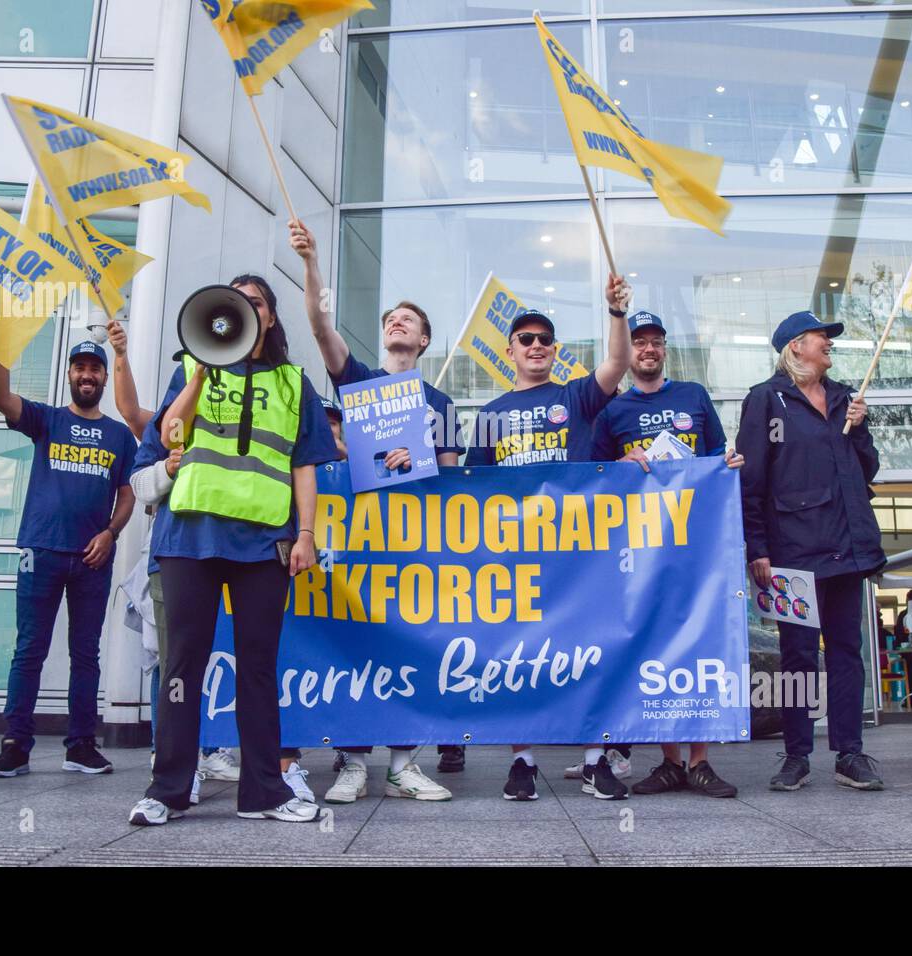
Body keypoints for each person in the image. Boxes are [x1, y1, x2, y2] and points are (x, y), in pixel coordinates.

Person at [128, 273, 337, 826]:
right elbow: (169, 435)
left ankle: (263, 792)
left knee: (258, 669)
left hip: (265, 541)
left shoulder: (294, 382)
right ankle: (167, 788)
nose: (247, 309)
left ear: (270, 317)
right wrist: (202, 368)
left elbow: (304, 465)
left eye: (257, 303)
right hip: (190, 538)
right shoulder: (191, 369)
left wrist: (307, 535)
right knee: (181, 666)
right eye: (236, 302)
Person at [290, 218, 462, 799]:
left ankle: (404, 763)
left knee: (409, 644)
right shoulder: (357, 380)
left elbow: (453, 471)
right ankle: (354, 763)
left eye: (408, 320)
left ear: (423, 341)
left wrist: (415, 463)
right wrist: (313, 262)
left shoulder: (440, 401)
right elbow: (318, 325)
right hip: (360, 540)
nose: (396, 321)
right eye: (392, 317)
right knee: (359, 641)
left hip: (414, 543)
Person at [466, 275, 632, 801]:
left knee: (588, 651)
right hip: (515, 558)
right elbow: (472, 489)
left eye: (544, 340)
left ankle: (592, 759)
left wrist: (615, 313)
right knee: (515, 655)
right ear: (510, 350)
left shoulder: (575, 395)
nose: (535, 345)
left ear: (554, 351)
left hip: (579, 553)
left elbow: (618, 364)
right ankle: (522, 762)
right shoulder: (490, 415)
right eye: (526, 339)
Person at [591, 310, 743, 799]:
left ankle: (700, 761)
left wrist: (730, 463)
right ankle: (668, 761)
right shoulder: (613, 410)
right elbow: (592, 477)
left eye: (657, 341)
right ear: (628, 352)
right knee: (654, 647)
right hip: (641, 549)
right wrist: (619, 463)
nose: (649, 349)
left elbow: (721, 456)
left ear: (664, 351)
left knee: (699, 643)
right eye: (640, 342)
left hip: (698, 546)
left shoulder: (693, 396)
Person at [737, 310, 887, 792]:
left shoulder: (845, 397)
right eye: (823, 336)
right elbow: (751, 481)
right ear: (796, 346)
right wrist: (756, 546)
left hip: (847, 547)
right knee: (798, 654)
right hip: (792, 551)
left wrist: (860, 429)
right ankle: (796, 755)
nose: (830, 343)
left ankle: (850, 753)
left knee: (847, 650)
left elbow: (867, 469)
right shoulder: (765, 400)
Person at [107, 320, 253, 789]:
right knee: (174, 661)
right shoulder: (171, 421)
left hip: (226, 557)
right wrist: (122, 355)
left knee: (209, 658)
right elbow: (133, 417)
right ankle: (170, 759)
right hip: (173, 555)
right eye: (189, 370)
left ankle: (206, 751)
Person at [0, 342, 136, 778]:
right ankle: (15, 746)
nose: (87, 375)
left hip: (92, 558)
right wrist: (2, 341)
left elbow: (126, 492)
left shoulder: (119, 435)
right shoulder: (46, 419)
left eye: (95, 368)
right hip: (42, 551)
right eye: (80, 367)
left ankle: (81, 746)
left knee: (86, 654)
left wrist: (111, 533)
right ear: (70, 374)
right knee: (29, 650)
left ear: (105, 378)